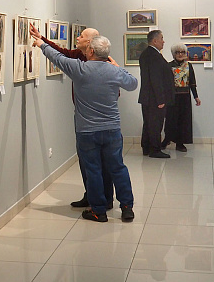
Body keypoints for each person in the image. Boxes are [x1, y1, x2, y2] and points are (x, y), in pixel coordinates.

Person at [33, 34, 137, 222]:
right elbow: (133, 84)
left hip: (87, 131)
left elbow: (58, 58)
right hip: (112, 130)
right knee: (118, 168)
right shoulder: (114, 72)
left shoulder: (79, 68)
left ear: (91, 51)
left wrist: (41, 44)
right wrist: (117, 67)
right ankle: (127, 207)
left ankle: (99, 211)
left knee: (93, 171)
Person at [30, 24, 114, 210]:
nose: (77, 38)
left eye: (81, 36)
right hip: (83, 118)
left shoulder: (106, 63)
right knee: (86, 161)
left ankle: (105, 199)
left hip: (100, 121)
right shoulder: (79, 55)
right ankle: (91, 195)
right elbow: (62, 53)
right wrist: (42, 39)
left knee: (103, 162)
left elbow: (116, 91)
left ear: (90, 44)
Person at [138, 30, 175, 158]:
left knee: (148, 123)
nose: (163, 41)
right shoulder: (153, 56)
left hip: (148, 97)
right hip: (154, 98)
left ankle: (146, 147)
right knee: (155, 124)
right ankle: (154, 149)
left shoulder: (147, 54)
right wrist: (160, 99)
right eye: (161, 38)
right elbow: (156, 79)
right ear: (155, 41)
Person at [161, 44, 201, 152]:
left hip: (185, 97)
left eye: (182, 52)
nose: (180, 54)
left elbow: (192, 83)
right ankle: (167, 139)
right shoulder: (169, 66)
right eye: (177, 52)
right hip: (172, 97)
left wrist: (196, 97)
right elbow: (165, 83)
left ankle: (180, 143)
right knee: (170, 120)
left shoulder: (189, 66)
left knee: (183, 120)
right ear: (173, 54)